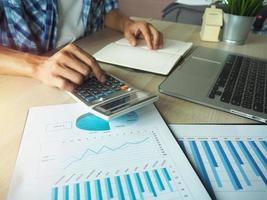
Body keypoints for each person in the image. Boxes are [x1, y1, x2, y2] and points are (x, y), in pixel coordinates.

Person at [0, 0, 163, 91]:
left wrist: (126, 23)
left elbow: (105, 10)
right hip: (25, 80)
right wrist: (39, 66)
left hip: (88, 58)